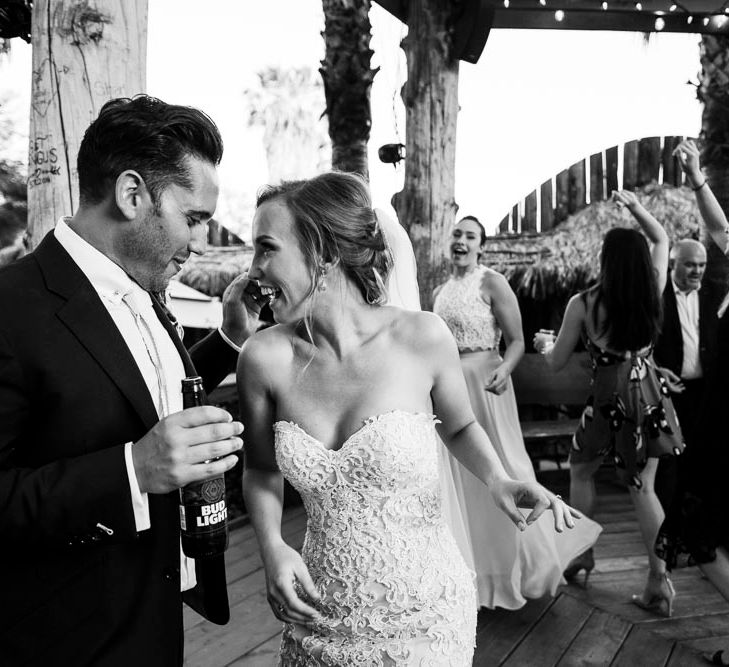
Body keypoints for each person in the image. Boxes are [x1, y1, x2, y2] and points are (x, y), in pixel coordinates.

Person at [238, 172, 581, 665]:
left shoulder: (423, 337)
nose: (253, 270)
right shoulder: (262, 357)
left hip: (426, 613)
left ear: (324, 251)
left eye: (266, 248)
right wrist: (272, 545)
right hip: (315, 612)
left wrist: (498, 479)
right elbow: (262, 469)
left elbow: (460, 426)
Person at [0, 96, 262, 666]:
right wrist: (132, 472)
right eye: (192, 218)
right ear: (132, 194)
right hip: (66, 640)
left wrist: (229, 338)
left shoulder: (144, 287)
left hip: (156, 618)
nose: (199, 243)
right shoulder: (11, 307)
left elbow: (137, 391)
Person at [432, 215, 601, 609]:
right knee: (465, 477)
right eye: (456, 234)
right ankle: (479, 572)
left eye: (470, 235)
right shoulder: (440, 291)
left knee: (506, 469)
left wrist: (505, 369)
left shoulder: (491, 282)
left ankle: (537, 562)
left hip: (489, 385)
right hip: (453, 388)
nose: (461, 240)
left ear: (481, 246)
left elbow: (517, 341)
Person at [534, 189, 684, 618]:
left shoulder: (583, 303)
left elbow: (558, 362)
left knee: (581, 469)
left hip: (607, 397)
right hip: (648, 390)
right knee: (644, 487)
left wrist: (546, 343)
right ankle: (659, 578)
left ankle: (582, 555)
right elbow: (661, 240)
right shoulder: (653, 287)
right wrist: (637, 208)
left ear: (605, 261)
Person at [655, 139, 729, 598]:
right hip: (711, 413)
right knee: (700, 520)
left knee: (702, 525)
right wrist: (697, 177)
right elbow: (720, 228)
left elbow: (721, 230)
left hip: (720, 415)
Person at [652, 238, 720, 511]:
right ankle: (669, 518)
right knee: (669, 459)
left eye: (701, 265)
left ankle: (700, 518)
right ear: (672, 263)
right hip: (667, 388)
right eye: (690, 265)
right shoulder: (657, 293)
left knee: (704, 454)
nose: (697, 271)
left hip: (706, 389)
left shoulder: (716, 293)